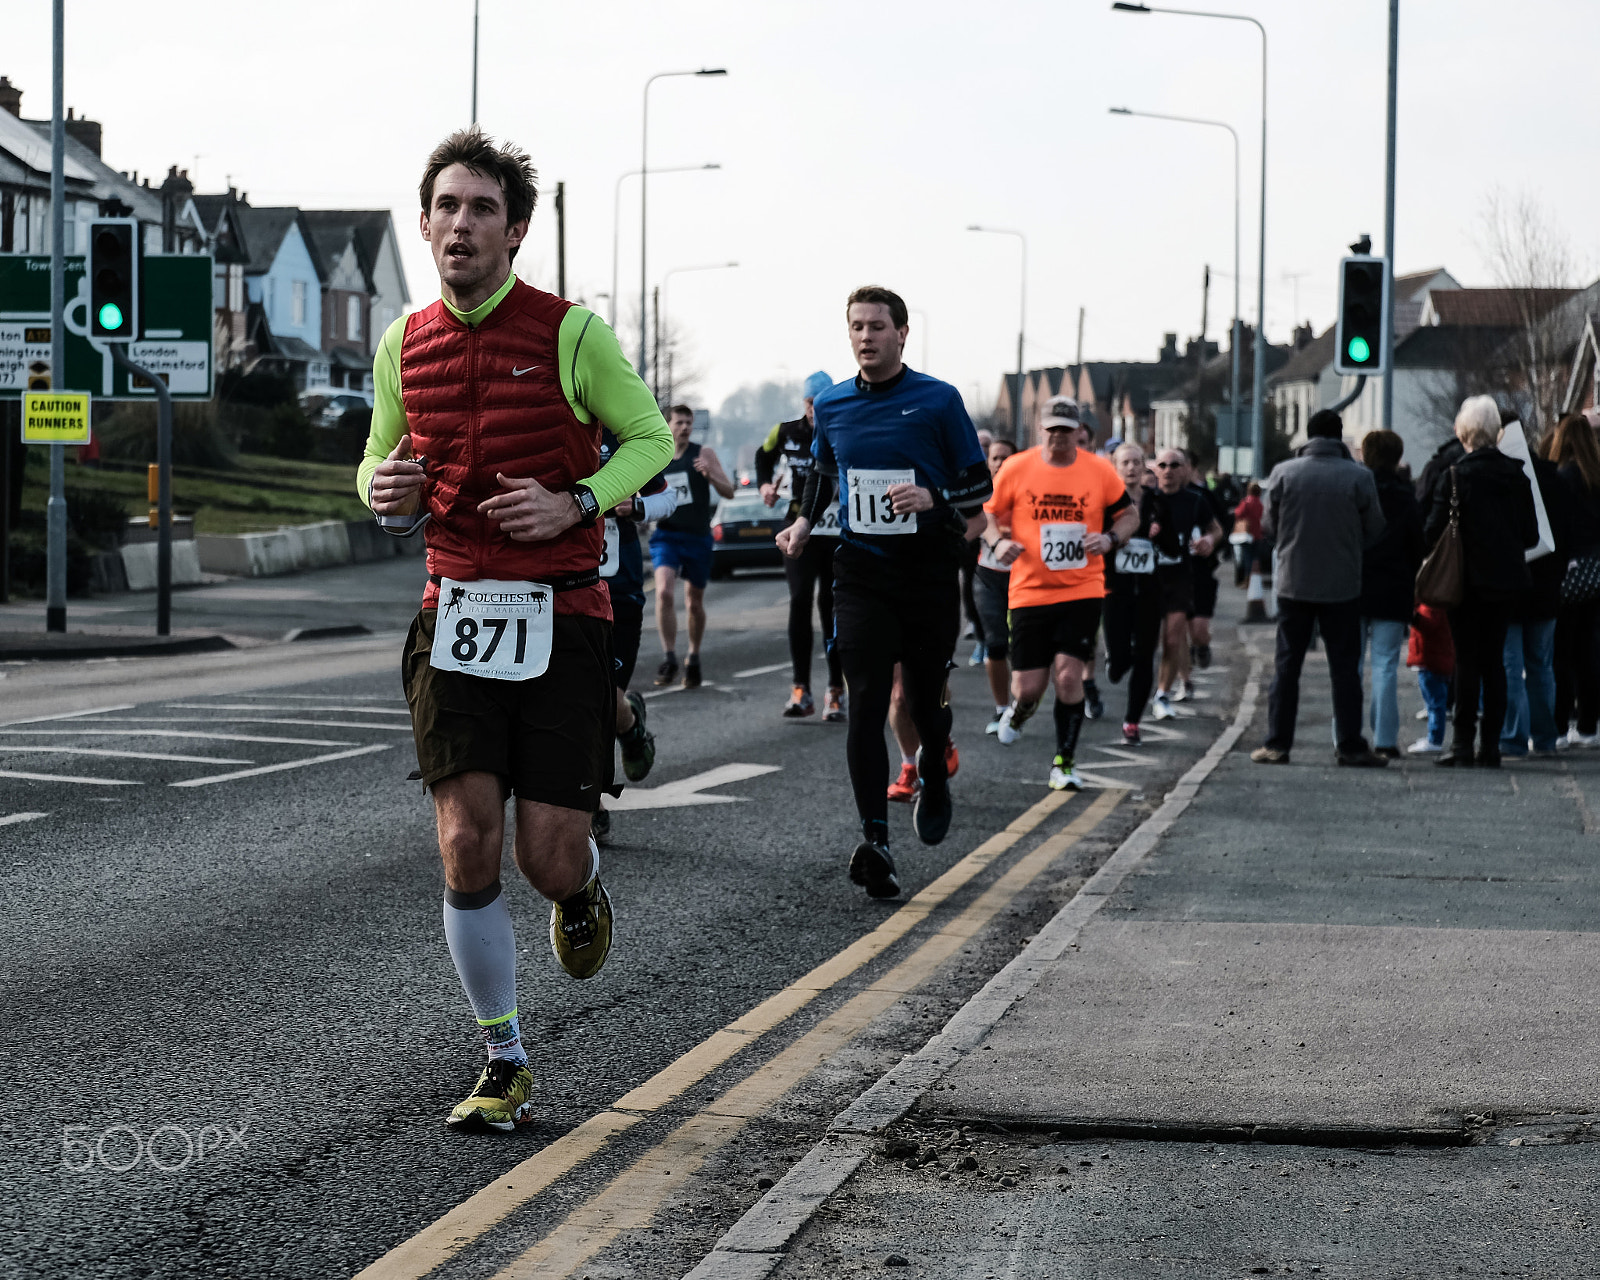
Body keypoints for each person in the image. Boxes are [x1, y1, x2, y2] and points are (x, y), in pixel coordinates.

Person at [360, 128, 674, 1132]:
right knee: (465, 839)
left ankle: (578, 887)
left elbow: (650, 439)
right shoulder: (400, 343)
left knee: (544, 856)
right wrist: (385, 488)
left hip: (561, 613)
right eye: (445, 206)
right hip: (451, 610)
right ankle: (504, 1054)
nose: (460, 223)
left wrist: (576, 501)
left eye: (481, 208)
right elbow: (375, 471)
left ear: (516, 228)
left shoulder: (571, 334)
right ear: (423, 223)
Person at [776, 285, 990, 899]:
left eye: (877, 326)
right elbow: (820, 475)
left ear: (901, 333)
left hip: (925, 573)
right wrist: (800, 522)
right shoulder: (833, 405)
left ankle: (935, 769)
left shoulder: (938, 401)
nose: (866, 336)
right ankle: (877, 841)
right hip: (861, 572)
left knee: (925, 703)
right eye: (856, 326)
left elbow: (979, 489)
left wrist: (933, 498)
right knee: (867, 700)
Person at [985, 395, 1140, 789]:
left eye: (1066, 431)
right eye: (1052, 429)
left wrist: (1109, 539)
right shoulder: (1018, 468)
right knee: (1029, 688)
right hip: (1029, 592)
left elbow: (1129, 515)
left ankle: (1064, 762)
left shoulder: (1099, 471)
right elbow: (988, 514)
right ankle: (1019, 712)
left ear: (1079, 432)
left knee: (1069, 679)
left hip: (1082, 588)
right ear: (1041, 430)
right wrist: (998, 543)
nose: (1058, 438)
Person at [1250, 408, 1389, 767]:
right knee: (1345, 669)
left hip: (1293, 583)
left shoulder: (1283, 473)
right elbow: (1375, 527)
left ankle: (1277, 743)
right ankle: (1350, 745)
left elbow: (1268, 528)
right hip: (1342, 585)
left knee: (1287, 667)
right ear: (1339, 435)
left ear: (1308, 436)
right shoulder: (1359, 477)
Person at [1421, 395, 1539, 768]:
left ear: (1462, 432)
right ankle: (1491, 747)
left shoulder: (1454, 475)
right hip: (1505, 583)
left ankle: (1460, 746)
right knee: (1495, 663)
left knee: (1466, 660)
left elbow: (1431, 532)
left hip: (1464, 583)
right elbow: (1532, 535)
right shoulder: (1517, 474)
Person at [590, 428, 677, 842]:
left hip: (619, 592)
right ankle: (590, 803)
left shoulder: (620, 434)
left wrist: (635, 505)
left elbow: (669, 497)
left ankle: (630, 725)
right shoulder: (545, 423)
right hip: (562, 591)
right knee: (574, 702)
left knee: (603, 698)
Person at [756, 371, 845, 720]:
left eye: (820, 403)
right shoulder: (785, 432)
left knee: (832, 607)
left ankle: (835, 691)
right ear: (803, 403)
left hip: (837, 530)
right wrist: (765, 485)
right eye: (809, 403)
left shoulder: (843, 427)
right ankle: (800, 689)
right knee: (799, 601)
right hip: (798, 525)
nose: (814, 410)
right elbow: (763, 458)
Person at [651, 404, 735, 689]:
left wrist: (710, 474)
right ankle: (669, 656)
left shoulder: (704, 453)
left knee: (694, 602)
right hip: (667, 534)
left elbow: (730, 491)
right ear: (668, 424)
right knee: (662, 592)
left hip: (698, 535)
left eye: (689, 422)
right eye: (679, 422)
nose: (685, 427)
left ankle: (694, 656)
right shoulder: (658, 455)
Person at [1501, 426, 1569, 757]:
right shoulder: (1553, 478)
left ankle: (1513, 737)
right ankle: (1545, 737)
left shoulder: (1501, 477)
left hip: (1510, 584)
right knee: (1541, 664)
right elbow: (1565, 535)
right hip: (1545, 588)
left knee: (1510, 664)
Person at [1356, 430, 1425, 759]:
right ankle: (1385, 739)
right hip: (1393, 586)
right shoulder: (1405, 494)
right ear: (1397, 456)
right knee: (1385, 664)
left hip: (1353, 585)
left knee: (1350, 664)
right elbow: (1418, 544)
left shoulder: (1354, 488)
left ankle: (1348, 734)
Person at [1149, 449, 1221, 721]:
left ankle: (1162, 694)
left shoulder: (1195, 500)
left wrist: (1209, 541)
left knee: (1172, 638)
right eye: (1163, 465)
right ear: (1155, 470)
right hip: (1148, 578)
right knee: (1149, 642)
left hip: (1181, 577)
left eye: (1175, 465)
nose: (1168, 470)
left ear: (1185, 469)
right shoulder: (1147, 499)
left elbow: (1216, 529)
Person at [1101, 442, 1164, 746]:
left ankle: (1132, 721)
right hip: (1115, 587)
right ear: (1114, 466)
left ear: (1144, 467)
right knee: (1120, 660)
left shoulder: (1156, 501)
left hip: (1150, 590)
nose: (1131, 468)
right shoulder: (1105, 501)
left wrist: (1158, 534)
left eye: (1137, 462)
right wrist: (1116, 541)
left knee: (1145, 656)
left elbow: (1175, 545)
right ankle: (1114, 661)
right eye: (1125, 462)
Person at [1543, 412, 1600, 747]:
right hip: (1596, 570)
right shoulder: (1596, 475)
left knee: (1561, 653)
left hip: (1570, 571)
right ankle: (1590, 724)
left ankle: (1560, 725)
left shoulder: (1564, 477)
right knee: (1588, 651)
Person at [974, 437, 1019, 734]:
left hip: (1024, 578)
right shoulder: (977, 492)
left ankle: (1022, 703)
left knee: (1025, 648)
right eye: (995, 458)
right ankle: (1002, 708)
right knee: (996, 643)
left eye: (1006, 458)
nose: (1001, 463)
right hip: (987, 574)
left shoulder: (1027, 491)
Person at [1185, 451, 1230, 671]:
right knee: (1174, 632)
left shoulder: (1204, 497)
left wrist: (1211, 543)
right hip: (1172, 572)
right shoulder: (1161, 496)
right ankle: (1182, 680)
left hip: (1201, 569)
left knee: (1199, 630)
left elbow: (1222, 527)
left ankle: (1201, 646)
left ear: (1192, 468)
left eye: (1180, 466)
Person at [1407, 603, 1455, 754]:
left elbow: (1426, 625)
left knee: (1434, 703)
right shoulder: (1438, 606)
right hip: (1436, 661)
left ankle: (1434, 739)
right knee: (1435, 702)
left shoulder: (1430, 607)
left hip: (1430, 662)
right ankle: (1434, 737)